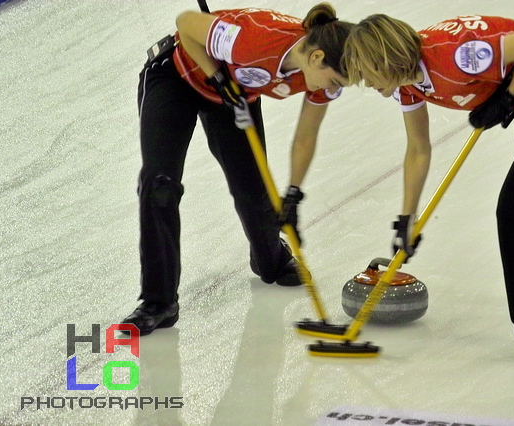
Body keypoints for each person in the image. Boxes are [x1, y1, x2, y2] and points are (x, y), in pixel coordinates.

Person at [342, 13, 514, 361]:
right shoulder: (407, 82)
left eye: (367, 74)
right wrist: (407, 219)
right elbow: (418, 148)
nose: (367, 84)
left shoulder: (457, 56)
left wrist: (507, 96)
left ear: (385, 58)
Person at [121, 4, 354, 335]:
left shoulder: (320, 78)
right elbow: (186, 25)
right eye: (334, 80)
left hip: (233, 96)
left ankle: (269, 259)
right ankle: (159, 302)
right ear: (317, 58)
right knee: (159, 183)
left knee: (253, 186)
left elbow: (305, 137)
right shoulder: (252, 39)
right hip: (175, 75)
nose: (333, 89)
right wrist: (216, 76)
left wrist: (292, 195)